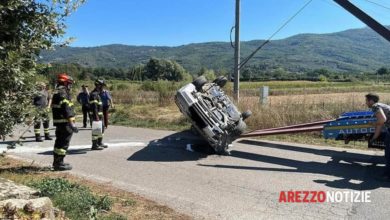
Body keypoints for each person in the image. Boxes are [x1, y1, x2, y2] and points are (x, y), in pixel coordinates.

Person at [51, 73, 78, 171]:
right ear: (66, 83)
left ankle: (56, 162)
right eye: (69, 83)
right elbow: (68, 110)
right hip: (65, 123)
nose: (70, 86)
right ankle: (59, 163)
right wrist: (72, 124)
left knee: (58, 142)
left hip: (58, 122)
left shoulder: (56, 92)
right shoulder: (64, 93)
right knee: (64, 143)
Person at [365, 93, 390, 181]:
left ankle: (387, 176)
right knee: (388, 154)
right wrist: (373, 139)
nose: (366, 103)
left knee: (389, 154)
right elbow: (380, 125)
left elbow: (382, 120)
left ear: (371, 101)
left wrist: (373, 124)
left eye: (367, 101)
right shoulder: (381, 106)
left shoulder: (375, 106)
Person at [89, 79, 108, 150]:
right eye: (102, 86)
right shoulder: (94, 95)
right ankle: (94, 145)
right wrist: (96, 117)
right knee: (96, 130)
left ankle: (100, 142)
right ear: (98, 86)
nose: (103, 88)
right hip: (96, 116)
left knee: (101, 129)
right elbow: (94, 107)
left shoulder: (97, 94)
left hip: (100, 116)